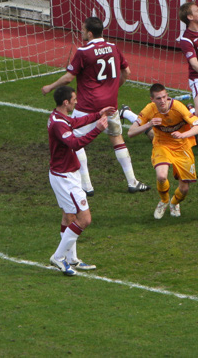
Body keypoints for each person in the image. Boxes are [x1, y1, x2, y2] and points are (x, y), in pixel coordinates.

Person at [41, 16, 149, 196]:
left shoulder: (84, 52)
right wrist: (114, 88)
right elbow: (127, 72)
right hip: (110, 105)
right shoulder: (114, 48)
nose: (81, 32)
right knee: (117, 139)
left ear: (90, 33)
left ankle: (87, 186)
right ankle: (132, 182)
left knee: (74, 141)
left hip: (88, 106)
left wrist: (50, 87)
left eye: (83, 30)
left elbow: (69, 77)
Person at [41, 86, 113, 275]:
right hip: (65, 178)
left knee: (69, 216)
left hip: (65, 173)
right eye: (74, 99)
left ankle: (71, 259)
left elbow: (76, 121)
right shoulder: (58, 123)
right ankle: (58, 257)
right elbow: (75, 143)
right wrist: (97, 129)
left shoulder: (61, 117)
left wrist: (98, 114)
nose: (76, 101)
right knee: (84, 219)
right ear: (66, 102)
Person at [126, 83, 198, 220]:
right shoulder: (149, 110)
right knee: (161, 176)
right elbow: (131, 132)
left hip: (182, 147)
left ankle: (174, 203)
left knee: (184, 189)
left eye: (164, 97)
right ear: (152, 99)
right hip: (162, 145)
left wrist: (183, 135)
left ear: (167, 96)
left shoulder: (178, 107)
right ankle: (163, 201)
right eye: (158, 98)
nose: (162, 101)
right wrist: (149, 124)